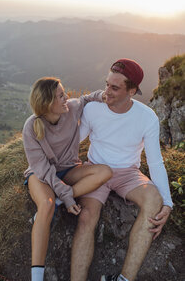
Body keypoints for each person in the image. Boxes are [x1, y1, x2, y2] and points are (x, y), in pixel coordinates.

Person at [70, 59, 173, 281]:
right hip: (96, 170)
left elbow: (155, 162)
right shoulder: (93, 108)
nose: (106, 92)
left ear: (132, 91)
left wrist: (168, 202)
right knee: (87, 216)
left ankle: (125, 279)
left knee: (154, 199)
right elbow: (74, 143)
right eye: (107, 84)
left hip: (128, 173)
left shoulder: (147, 117)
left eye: (114, 88)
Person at [22, 77, 113, 281]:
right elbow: (43, 169)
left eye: (65, 94)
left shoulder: (71, 108)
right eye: (61, 96)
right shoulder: (31, 127)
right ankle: (37, 277)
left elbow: (87, 98)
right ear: (47, 103)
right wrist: (65, 194)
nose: (66, 98)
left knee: (105, 172)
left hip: (70, 169)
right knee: (46, 204)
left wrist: (102, 95)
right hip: (41, 175)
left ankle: (61, 200)